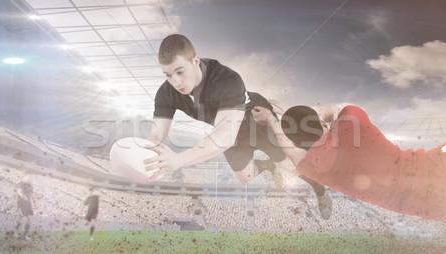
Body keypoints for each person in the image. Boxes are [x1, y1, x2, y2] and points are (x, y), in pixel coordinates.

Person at [142, 34, 332, 219]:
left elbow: (225, 136)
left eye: (180, 72)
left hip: (258, 124)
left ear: (196, 62)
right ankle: (267, 166)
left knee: (289, 166)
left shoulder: (227, 79)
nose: (175, 81)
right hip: (229, 132)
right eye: (168, 75)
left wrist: (179, 160)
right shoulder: (166, 93)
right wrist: (144, 160)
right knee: (244, 177)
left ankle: (320, 188)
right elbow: (156, 135)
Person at [251, 101, 446, 220]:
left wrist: (276, 123)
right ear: (320, 122)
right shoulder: (349, 125)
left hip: (436, 209)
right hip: (438, 170)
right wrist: (299, 112)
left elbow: (290, 150)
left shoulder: (315, 169)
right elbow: (337, 107)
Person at [15, 172, 36, 240]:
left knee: (30, 219)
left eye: (31, 177)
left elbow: (33, 195)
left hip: (28, 205)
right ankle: (16, 229)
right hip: (21, 204)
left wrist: (36, 204)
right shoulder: (21, 183)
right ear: (26, 176)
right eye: (29, 176)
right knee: (24, 219)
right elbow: (19, 191)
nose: (30, 178)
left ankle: (24, 236)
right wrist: (23, 195)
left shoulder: (31, 186)